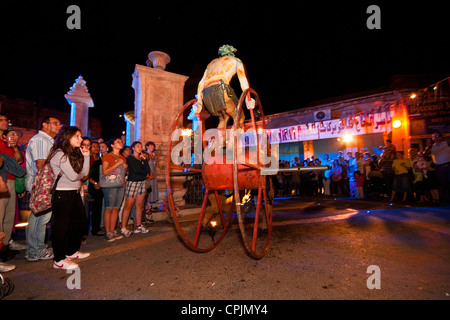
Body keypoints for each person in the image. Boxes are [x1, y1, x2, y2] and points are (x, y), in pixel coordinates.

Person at [194, 44, 254, 145]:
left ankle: (216, 144)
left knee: (223, 117)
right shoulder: (236, 61)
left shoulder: (211, 63)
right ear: (231, 53)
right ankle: (232, 143)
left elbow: (201, 83)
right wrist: (248, 98)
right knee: (239, 117)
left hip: (206, 93)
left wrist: (200, 102)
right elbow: (243, 81)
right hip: (221, 89)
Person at [50, 126, 91, 270]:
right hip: (62, 193)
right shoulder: (60, 154)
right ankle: (59, 259)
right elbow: (74, 176)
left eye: (80, 136)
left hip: (73, 193)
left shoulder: (72, 154)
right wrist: (78, 176)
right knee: (62, 226)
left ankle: (71, 251)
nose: (81, 139)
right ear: (67, 138)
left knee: (79, 222)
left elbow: (84, 173)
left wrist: (86, 156)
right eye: (77, 136)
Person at [24, 116, 61, 262]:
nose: (59, 126)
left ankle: (39, 247)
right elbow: (40, 164)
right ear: (45, 125)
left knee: (43, 218)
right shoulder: (41, 140)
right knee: (38, 217)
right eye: (55, 123)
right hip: (40, 183)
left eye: (59, 124)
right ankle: (34, 251)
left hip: (46, 183)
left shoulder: (49, 141)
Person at [0, 113, 24, 257]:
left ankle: (5, 245)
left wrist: (14, 147)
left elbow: (19, 161)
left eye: (5, 120)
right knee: (0, 215)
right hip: (1, 180)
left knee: (9, 215)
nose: (5, 122)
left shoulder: (5, 140)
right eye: (1, 120)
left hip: (12, 181)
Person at [120, 141, 151, 236]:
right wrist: (144, 172)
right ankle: (123, 227)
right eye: (138, 146)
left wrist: (145, 160)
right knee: (128, 206)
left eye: (141, 146)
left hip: (142, 182)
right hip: (133, 182)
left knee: (139, 205)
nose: (140, 148)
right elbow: (136, 170)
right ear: (133, 148)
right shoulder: (130, 158)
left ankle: (138, 225)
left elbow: (148, 171)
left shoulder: (142, 158)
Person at [102, 137, 127, 242]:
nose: (121, 143)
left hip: (120, 184)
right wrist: (118, 163)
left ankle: (112, 230)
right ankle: (107, 231)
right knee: (109, 208)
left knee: (116, 208)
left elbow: (123, 173)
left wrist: (124, 167)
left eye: (121, 142)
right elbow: (105, 171)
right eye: (118, 142)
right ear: (112, 145)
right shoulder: (107, 156)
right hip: (110, 185)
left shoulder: (122, 157)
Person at [87, 140, 104, 236]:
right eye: (93, 146)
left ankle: (95, 229)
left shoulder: (100, 159)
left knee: (97, 208)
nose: (96, 148)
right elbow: (85, 173)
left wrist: (99, 183)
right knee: (86, 209)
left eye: (98, 146)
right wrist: (94, 182)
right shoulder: (87, 159)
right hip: (89, 185)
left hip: (99, 186)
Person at [430, 131, 450, 203]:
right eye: (433, 137)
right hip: (439, 167)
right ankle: (447, 199)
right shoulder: (433, 147)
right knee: (443, 183)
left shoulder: (446, 143)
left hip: (448, 165)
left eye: (436, 136)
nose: (434, 138)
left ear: (440, 137)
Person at [145, 141, 159, 214]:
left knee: (153, 188)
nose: (152, 148)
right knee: (148, 189)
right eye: (150, 146)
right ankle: (147, 206)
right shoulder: (146, 154)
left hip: (153, 173)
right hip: (149, 174)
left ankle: (150, 205)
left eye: (153, 146)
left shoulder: (153, 155)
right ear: (147, 147)